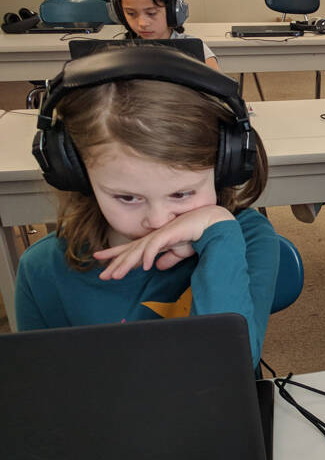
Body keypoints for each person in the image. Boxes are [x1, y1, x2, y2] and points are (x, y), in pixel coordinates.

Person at [15, 46, 279, 368]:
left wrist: (217, 230)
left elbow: (227, 368)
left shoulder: (245, 237)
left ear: (224, 167)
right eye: (127, 197)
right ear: (76, 174)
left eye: (182, 194)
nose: (157, 220)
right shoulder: (43, 270)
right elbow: (42, 391)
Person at [108, 0, 219, 69]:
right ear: (119, 13)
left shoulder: (196, 50)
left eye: (151, 13)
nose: (142, 23)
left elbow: (217, 86)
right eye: (131, 13)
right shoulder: (119, 52)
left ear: (172, 10)